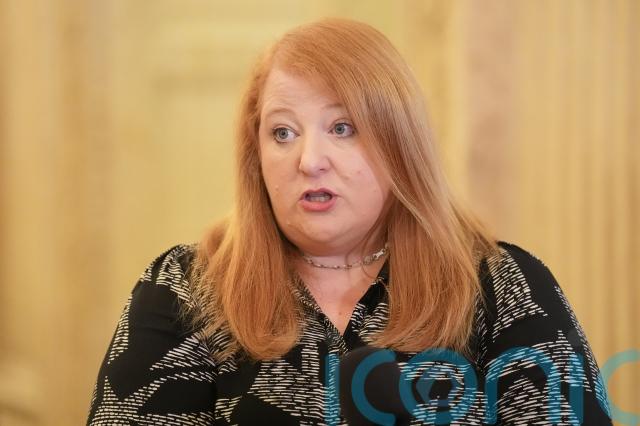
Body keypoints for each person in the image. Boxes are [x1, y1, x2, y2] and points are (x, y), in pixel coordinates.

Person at [87, 18, 612, 425]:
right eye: (283, 133)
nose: (309, 160)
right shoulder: (185, 290)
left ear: (398, 142)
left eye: (342, 127)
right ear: (256, 155)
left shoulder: (502, 285)